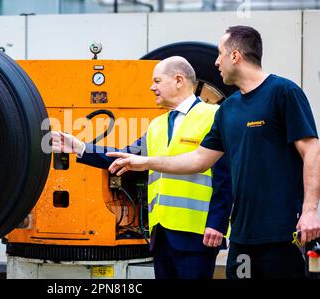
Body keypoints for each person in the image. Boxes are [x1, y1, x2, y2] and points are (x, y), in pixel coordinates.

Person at [106, 26, 320, 279]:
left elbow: (312, 151)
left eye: (220, 54)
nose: (216, 61)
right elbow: (198, 159)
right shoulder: (228, 109)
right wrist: (145, 162)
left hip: (282, 233)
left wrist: (310, 211)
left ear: (235, 56)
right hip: (242, 236)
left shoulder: (284, 93)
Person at [52, 56, 233, 279]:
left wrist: (217, 223)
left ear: (178, 80)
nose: (151, 87)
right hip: (161, 235)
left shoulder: (213, 116)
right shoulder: (157, 125)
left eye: (157, 81)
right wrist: (80, 148)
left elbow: (226, 176)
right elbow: (125, 157)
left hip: (197, 233)